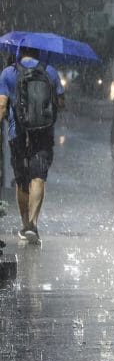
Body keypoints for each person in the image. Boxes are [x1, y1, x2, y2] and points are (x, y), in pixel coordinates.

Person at [0, 47, 65, 244]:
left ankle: (24, 224)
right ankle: (33, 224)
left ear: (20, 51)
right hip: (43, 132)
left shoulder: (8, 72)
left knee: (21, 179)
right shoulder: (51, 72)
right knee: (38, 176)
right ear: (39, 52)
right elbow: (61, 103)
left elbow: (2, 105)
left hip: (16, 132)